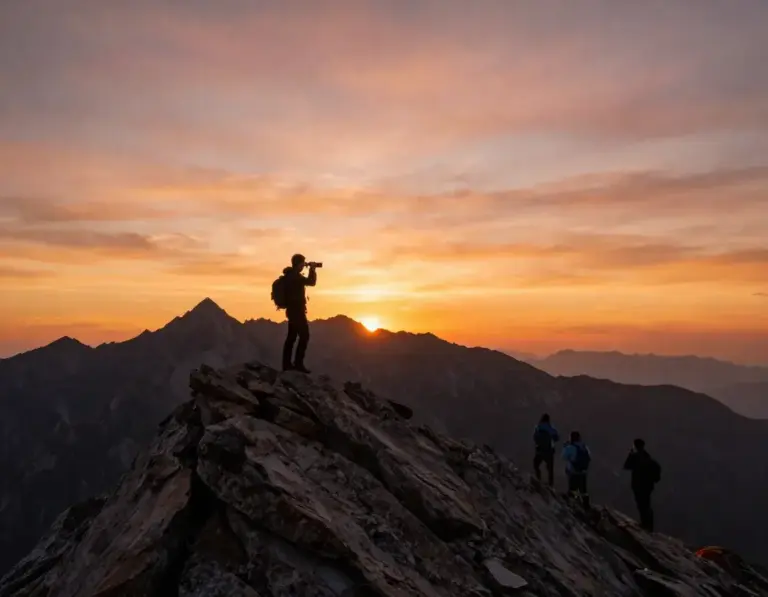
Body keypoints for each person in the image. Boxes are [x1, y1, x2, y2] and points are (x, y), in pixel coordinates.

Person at [281, 254, 318, 373]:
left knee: (291, 337)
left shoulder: (290, 276)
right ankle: (298, 364)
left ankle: (287, 365)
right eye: (303, 263)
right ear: (299, 264)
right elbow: (311, 282)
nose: (304, 265)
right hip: (297, 312)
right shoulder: (295, 277)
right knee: (304, 336)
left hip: (292, 311)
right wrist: (312, 270)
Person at [623, 438, 661, 531]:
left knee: (641, 505)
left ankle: (645, 524)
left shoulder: (635, 457)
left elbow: (626, 466)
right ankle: (649, 525)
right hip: (648, 486)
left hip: (638, 485)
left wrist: (630, 454)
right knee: (646, 505)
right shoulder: (647, 457)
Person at [562, 431, 591, 509]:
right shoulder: (584, 447)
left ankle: (572, 506)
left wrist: (565, 447)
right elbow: (589, 458)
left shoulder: (570, 447)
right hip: (583, 472)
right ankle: (586, 506)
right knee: (583, 490)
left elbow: (564, 456)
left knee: (572, 489)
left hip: (573, 472)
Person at [533, 413, 560, 486]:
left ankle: (538, 479)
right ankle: (551, 485)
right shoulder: (550, 428)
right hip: (549, 451)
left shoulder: (538, 427)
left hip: (539, 451)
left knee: (536, 465)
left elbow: (535, 438)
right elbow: (557, 438)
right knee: (550, 469)